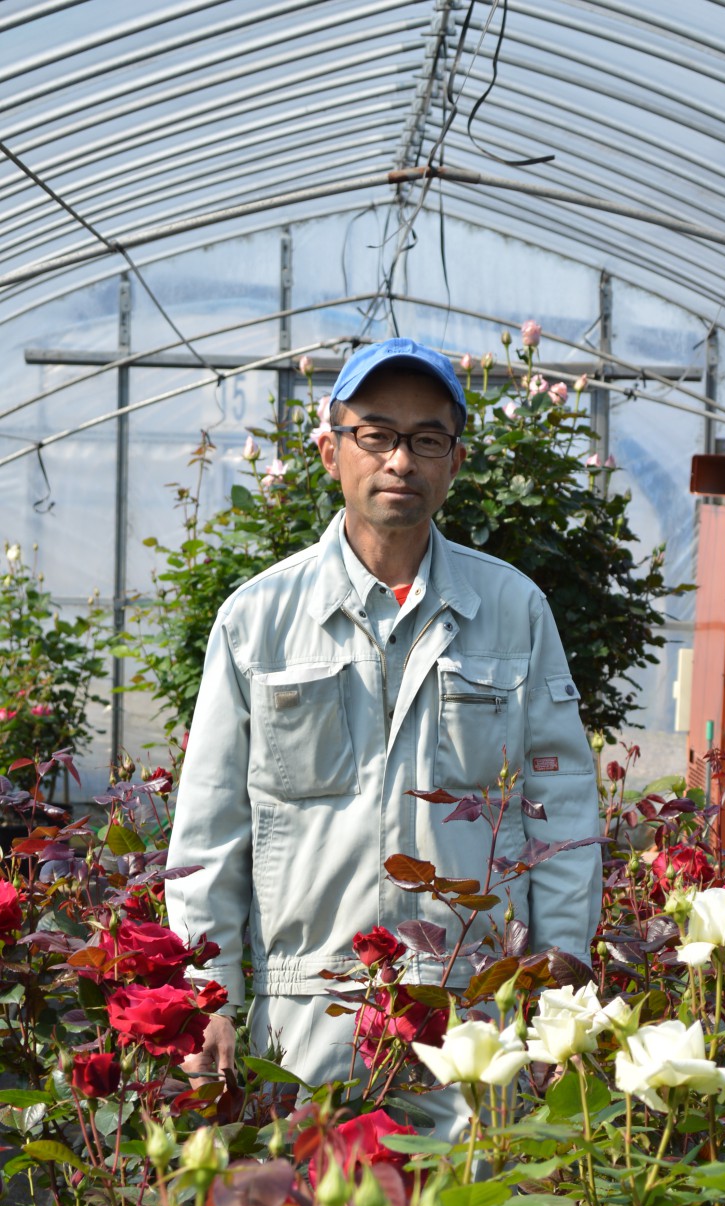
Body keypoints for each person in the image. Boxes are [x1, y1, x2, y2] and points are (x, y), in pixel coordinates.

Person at [165, 337, 601, 1088]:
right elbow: (210, 825)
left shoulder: (511, 611)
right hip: (303, 1009)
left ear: (455, 463)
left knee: (471, 1204)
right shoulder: (260, 617)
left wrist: (559, 994)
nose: (401, 460)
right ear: (333, 452)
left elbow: (559, 812)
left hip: (473, 1013)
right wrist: (211, 998)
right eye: (377, 435)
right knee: (308, 1203)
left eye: (427, 439)